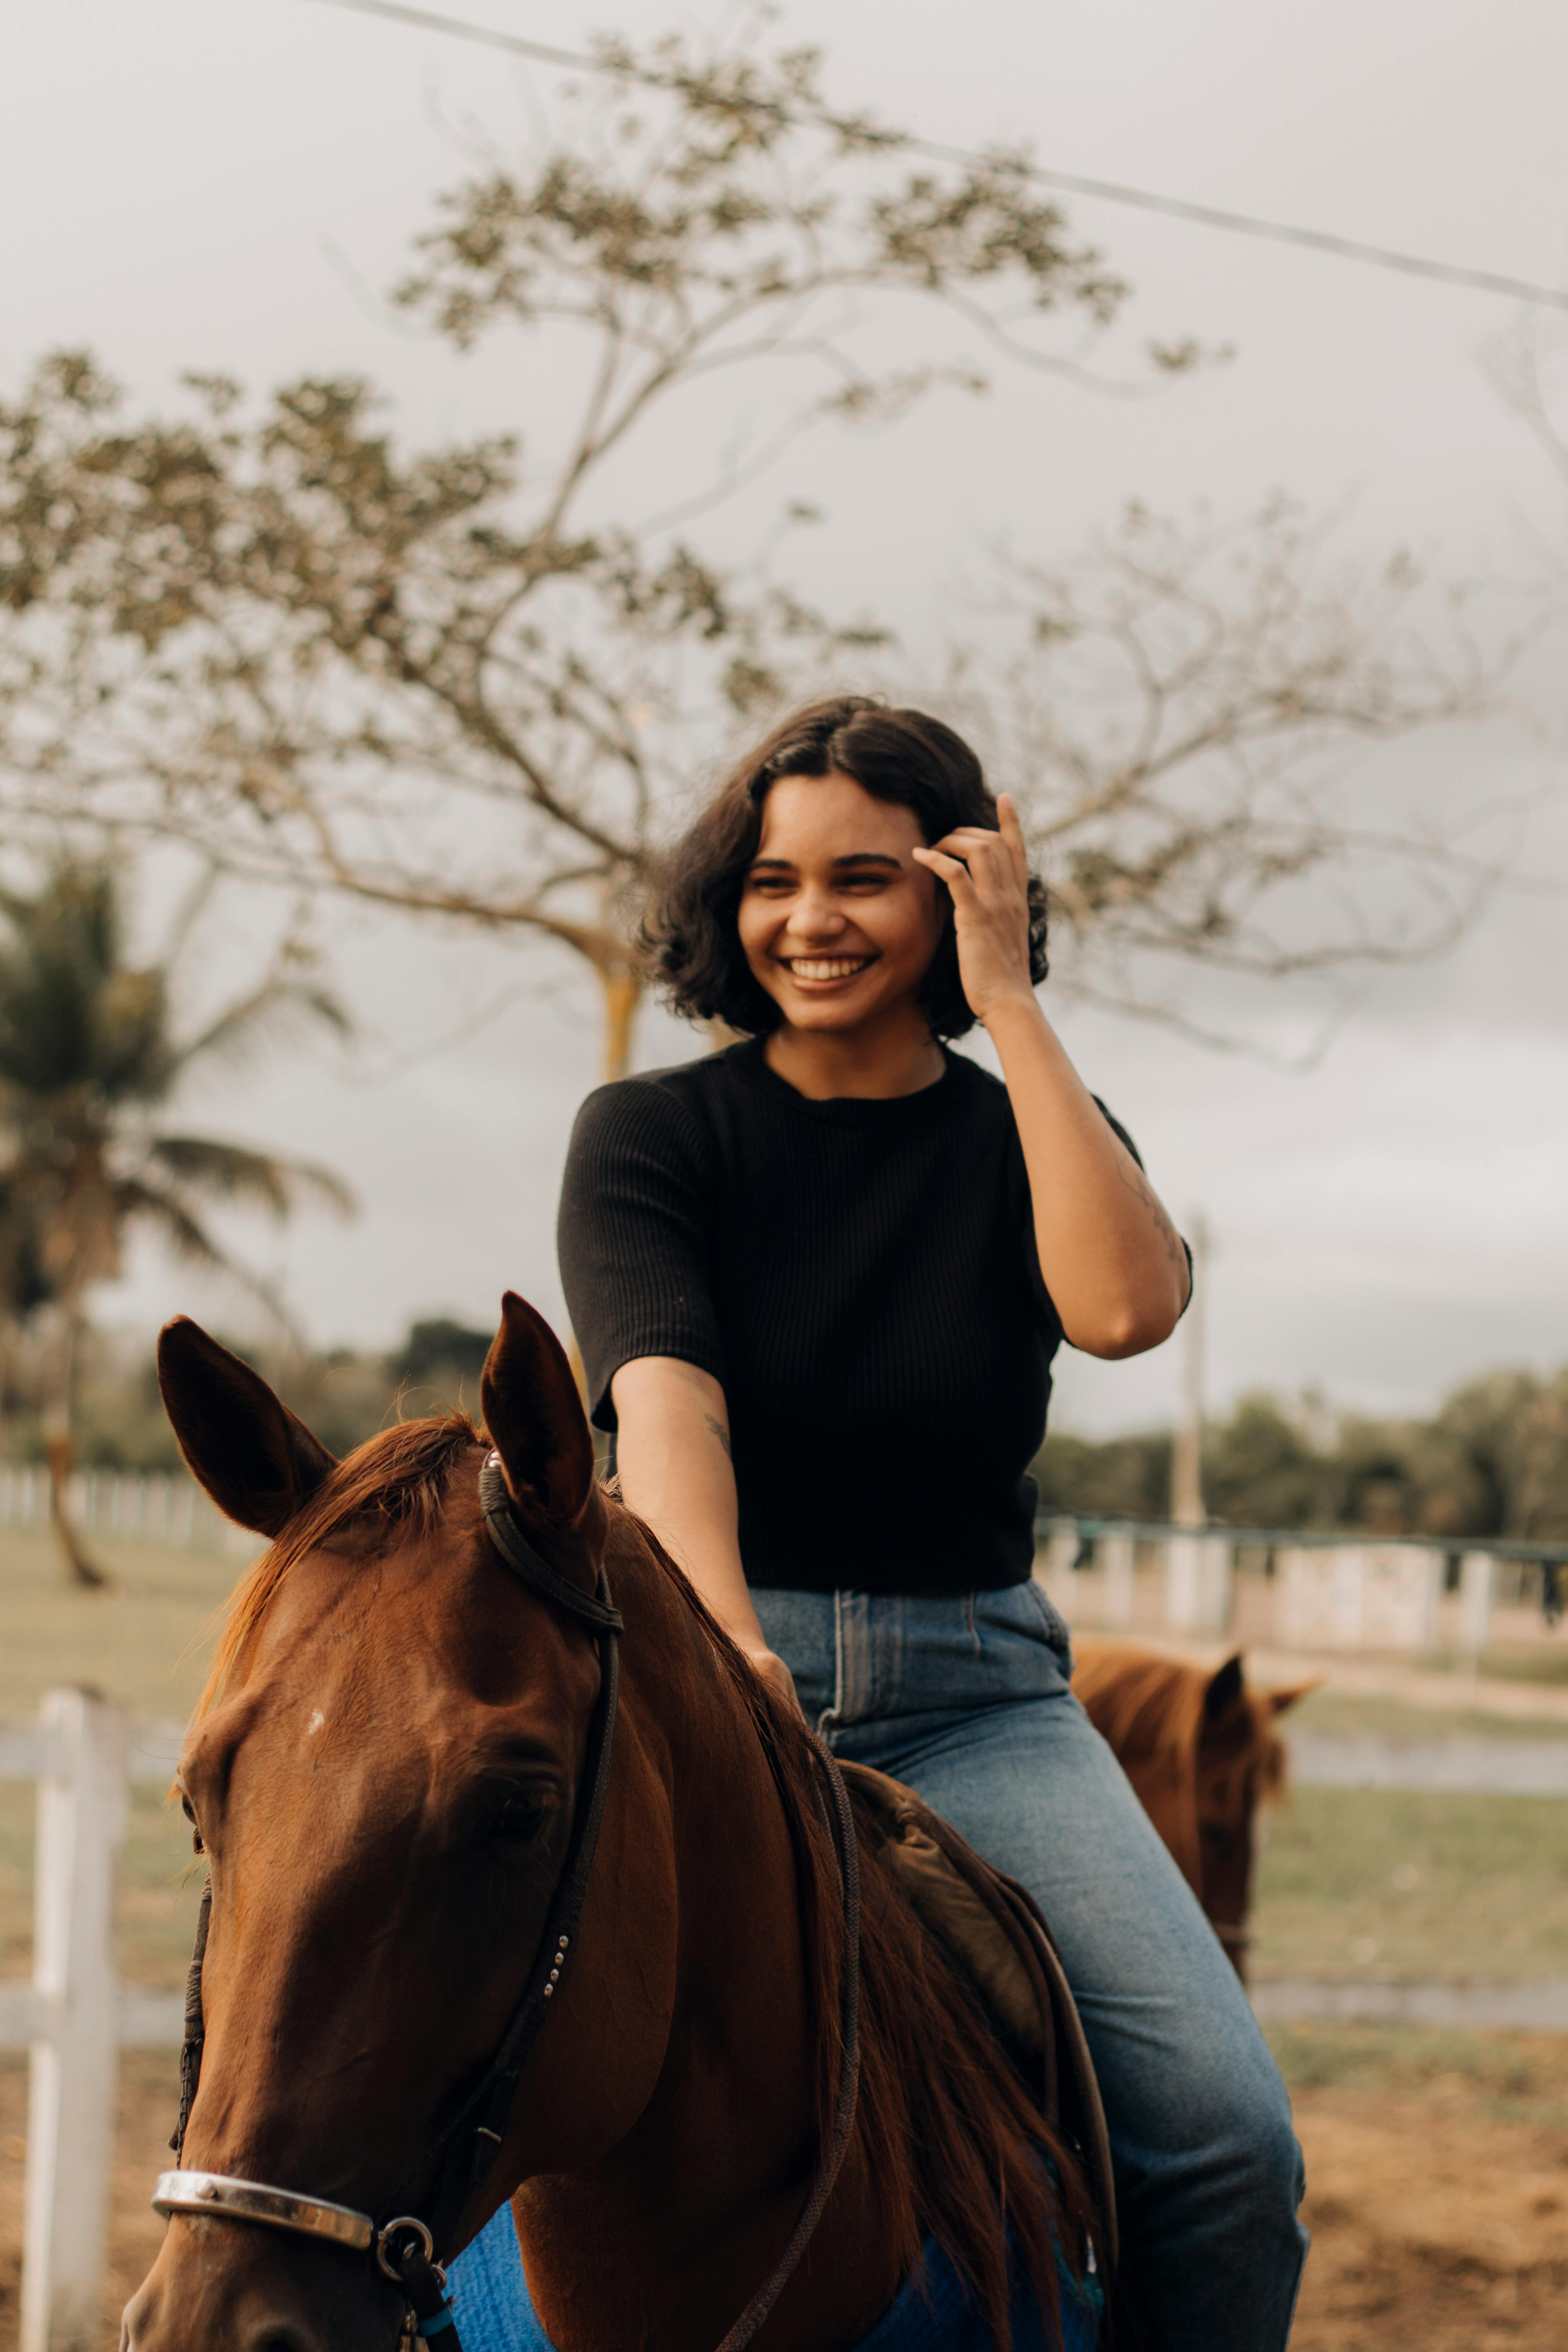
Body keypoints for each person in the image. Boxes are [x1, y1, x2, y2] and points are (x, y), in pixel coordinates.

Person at [557, 697, 1306, 2350]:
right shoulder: (653, 1134)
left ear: (955, 890)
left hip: (979, 1708)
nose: (809, 920)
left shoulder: (1028, 1134)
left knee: (1231, 2152)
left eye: (865, 878)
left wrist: (1012, 1007)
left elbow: (1120, 1312)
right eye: (770, 879)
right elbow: (668, 1406)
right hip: (701, 1682)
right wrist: (733, 1655)